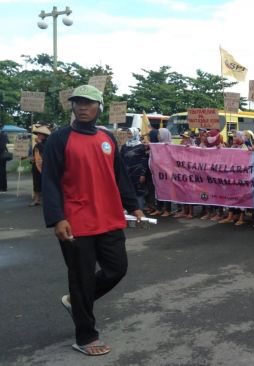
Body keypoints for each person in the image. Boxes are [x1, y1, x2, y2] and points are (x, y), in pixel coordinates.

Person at [41, 85, 143, 356]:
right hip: (75, 221)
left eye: (88, 103)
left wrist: (135, 206)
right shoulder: (60, 139)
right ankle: (85, 336)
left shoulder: (107, 137)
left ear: (99, 106)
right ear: (73, 107)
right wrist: (56, 218)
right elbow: (49, 180)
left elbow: (120, 177)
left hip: (109, 217)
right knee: (81, 278)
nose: (82, 107)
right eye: (78, 103)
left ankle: (77, 302)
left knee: (117, 269)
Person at [120, 128, 149, 210]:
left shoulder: (142, 147)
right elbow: (121, 160)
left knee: (138, 192)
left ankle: (139, 211)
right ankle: (129, 210)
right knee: (127, 191)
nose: (128, 135)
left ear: (135, 134)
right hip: (127, 173)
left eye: (130, 134)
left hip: (137, 174)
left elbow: (144, 161)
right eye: (128, 133)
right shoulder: (125, 146)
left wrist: (143, 174)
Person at [29, 125, 51, 206]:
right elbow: (35, 154)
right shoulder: (36, 145)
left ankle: (48, 201)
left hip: (46, 167)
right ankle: (36, 200)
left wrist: (40, 143)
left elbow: (47, 152)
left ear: (44, 135)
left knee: (46, 184)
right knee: (36, 183)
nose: (38, 135)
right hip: (36, 166)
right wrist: (32, 160)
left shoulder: (49, 143)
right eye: (37, 134)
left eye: (40, 134)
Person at [0, 121, 8, 193]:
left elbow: (2, 147)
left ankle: (3, 187)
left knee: (2, 172)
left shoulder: (3, 134)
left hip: (1, 156)